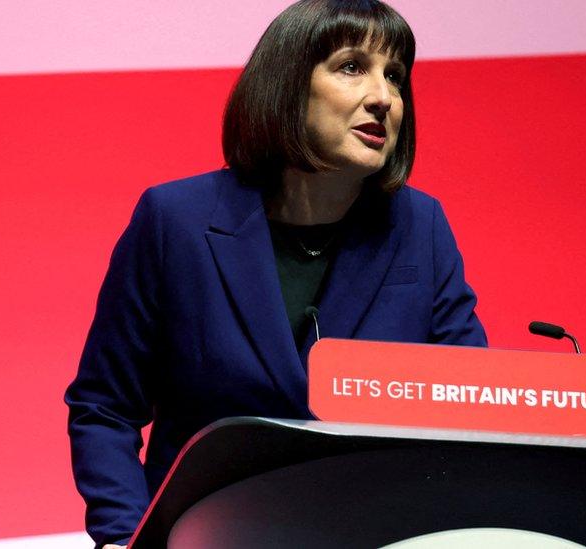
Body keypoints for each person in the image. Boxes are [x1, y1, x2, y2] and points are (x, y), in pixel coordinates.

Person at [65, 1, 487, 546]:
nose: (383, 98)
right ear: (288, 84)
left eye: (396, 76)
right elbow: (104, 409)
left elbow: (470, 410)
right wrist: (125, 538)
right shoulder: (176, 222)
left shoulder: (421, 225)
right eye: (352, 67)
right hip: (207, 532)